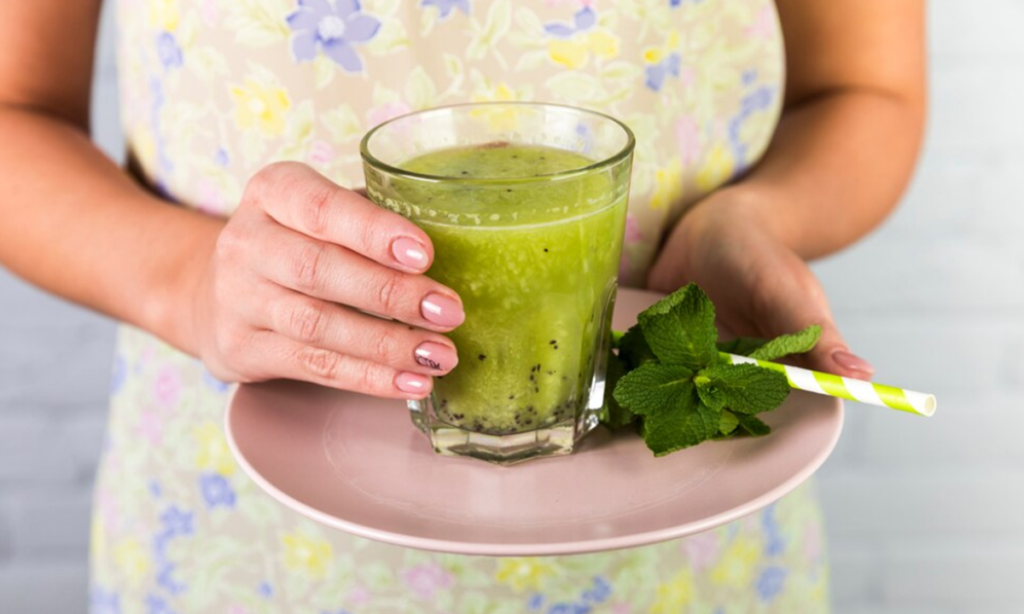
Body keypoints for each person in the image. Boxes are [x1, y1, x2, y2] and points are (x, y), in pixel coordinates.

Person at [0, 0, 925, 611]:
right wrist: (189, 282)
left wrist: (752, 220)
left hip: (685, 532)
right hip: (240, 542)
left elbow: (866, 88)